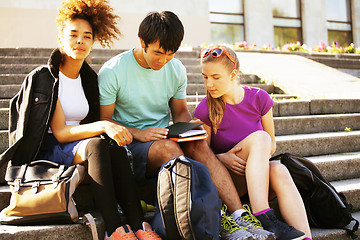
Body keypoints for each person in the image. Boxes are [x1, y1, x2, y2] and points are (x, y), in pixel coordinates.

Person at [98, 11, 275, 240]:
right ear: (142, 43)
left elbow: (180, 112)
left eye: (170, 54)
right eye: (158, 53)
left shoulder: (176, 69)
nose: (163, 60)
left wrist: (189, 129)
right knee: (168, 149)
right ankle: (216, 220)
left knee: (198, 144)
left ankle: (239, 215)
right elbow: (106, 121)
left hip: (163, 137)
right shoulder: (114, 70)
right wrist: (140, 133)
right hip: (129, 147)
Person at [0, 1, 161, 239]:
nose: (80, 41)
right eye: (73, 35)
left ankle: (139, 226)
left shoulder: (88, 79)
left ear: (93, 42)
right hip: (50, 148)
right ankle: (113, 230)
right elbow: (62, 133)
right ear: (60, 39)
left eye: (87, 36)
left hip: (76, 146)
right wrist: (104, 126)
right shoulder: (47, 78)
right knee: (97, 144)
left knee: (114, 149)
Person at [193, 45, 313, 240]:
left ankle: (306, 238)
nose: (209, 84)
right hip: (228, 185)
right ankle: (263, 215)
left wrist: (255, 157)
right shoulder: (205, 109)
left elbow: (271, 144)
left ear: (233, 74)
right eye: (205, 77)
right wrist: (222, 158)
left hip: (257, 180)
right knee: (261, 138)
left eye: (216, 77)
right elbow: (200, 156)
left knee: (279, 168)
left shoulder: (259, 98)